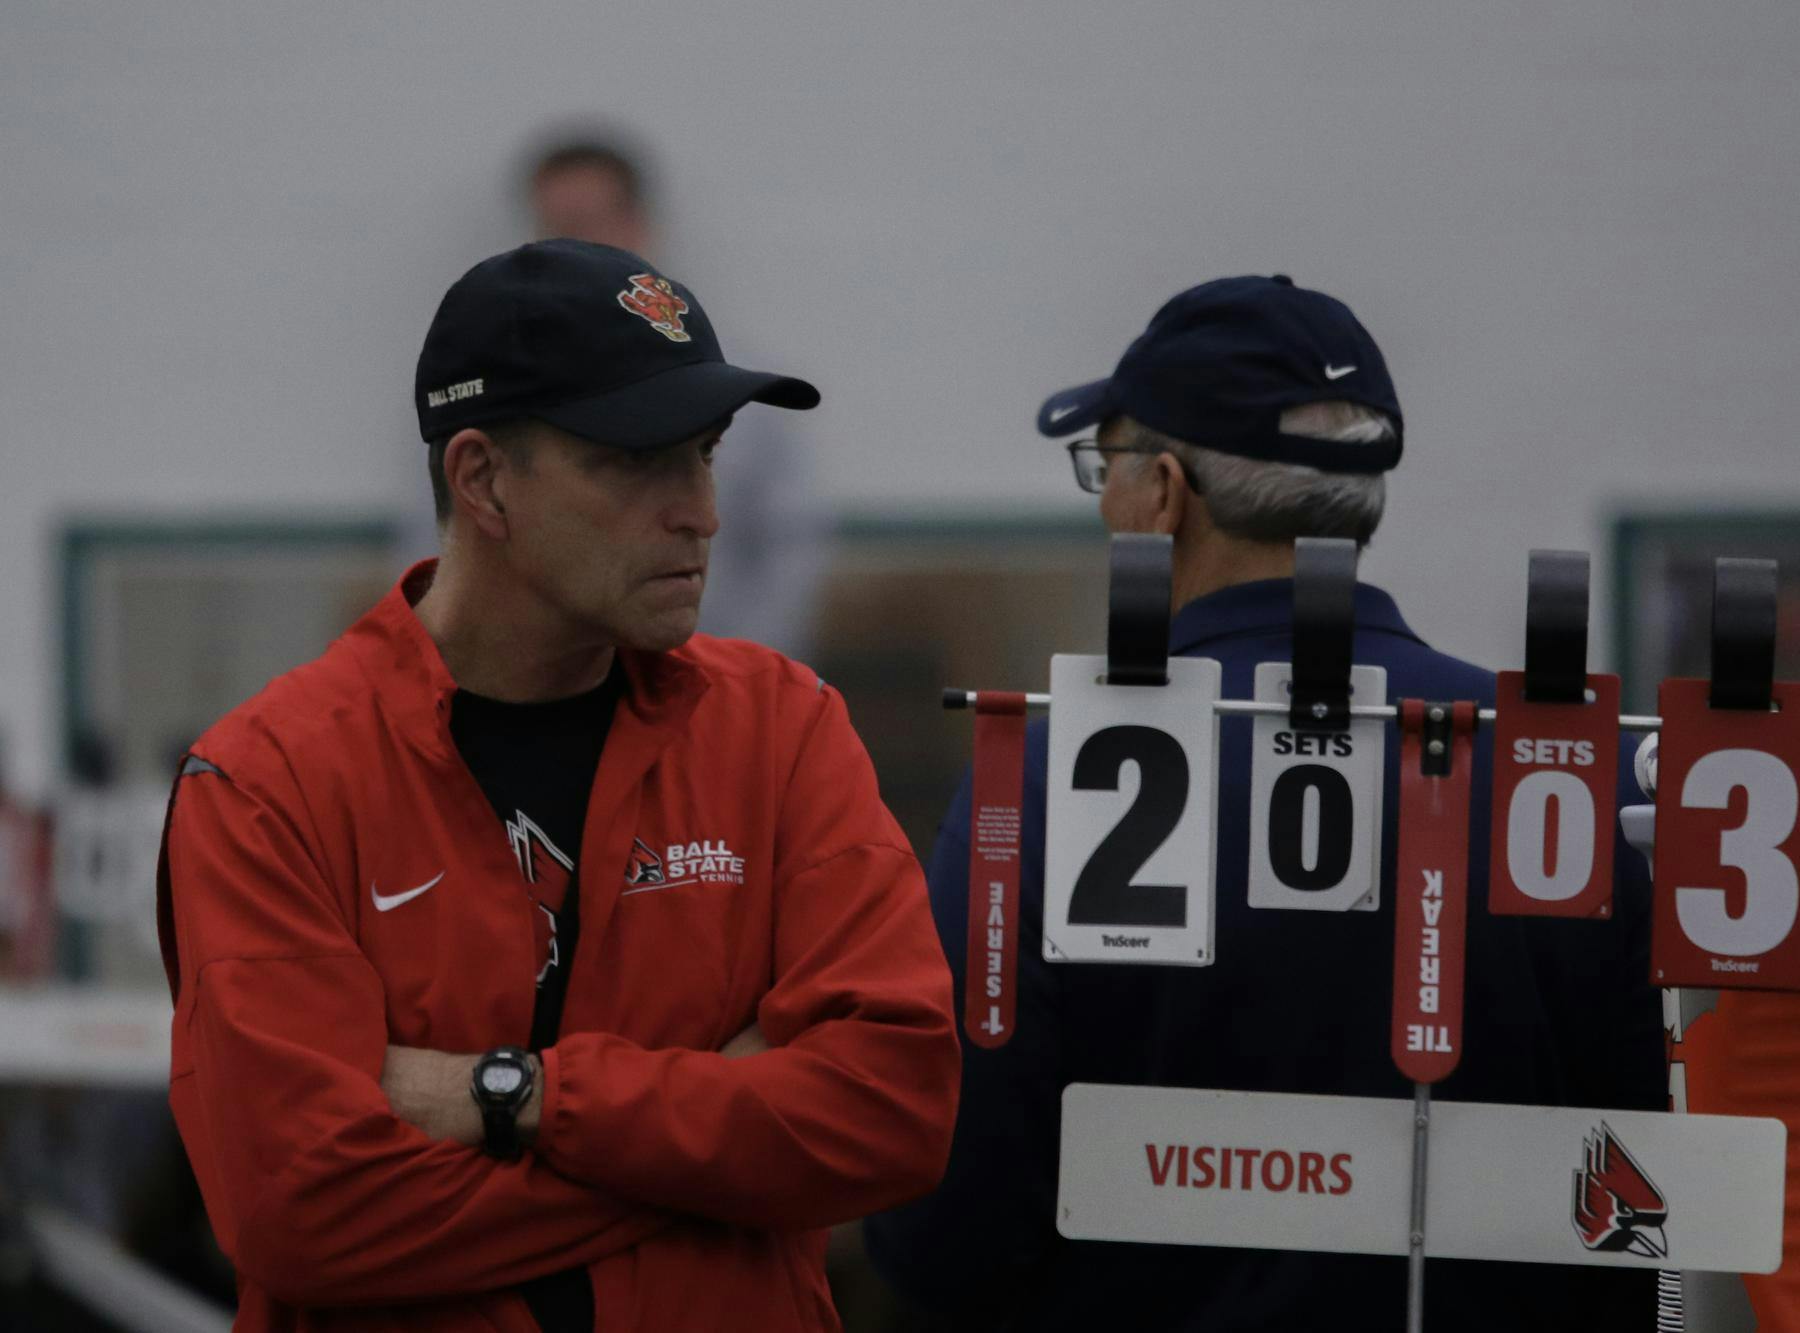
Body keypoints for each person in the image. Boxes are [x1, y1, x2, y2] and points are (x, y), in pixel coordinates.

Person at [157, 238, 960, 1333]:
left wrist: (511, 1097)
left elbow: (888, 1109)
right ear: (481, 478)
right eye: (637, 460)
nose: (702, 512)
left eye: (707, 453)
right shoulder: (270, 778)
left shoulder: (778, 728)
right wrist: (710, 1155)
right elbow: (298, 1208)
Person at [865, 276, 1666, 1330]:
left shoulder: (1057, 779)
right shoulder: (1577, 771)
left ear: (1160, 490)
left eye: (1102, 466)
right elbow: (1663, 1171)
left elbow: (948, 1218)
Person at [521, 131, 830, 660]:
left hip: (711, 688)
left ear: (640, 225)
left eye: (587, 224)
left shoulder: (737, 385)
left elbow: (788, 547)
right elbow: (440, 542)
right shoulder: (497, 382)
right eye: (554, 230)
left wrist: (742, 683)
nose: (570, 249)